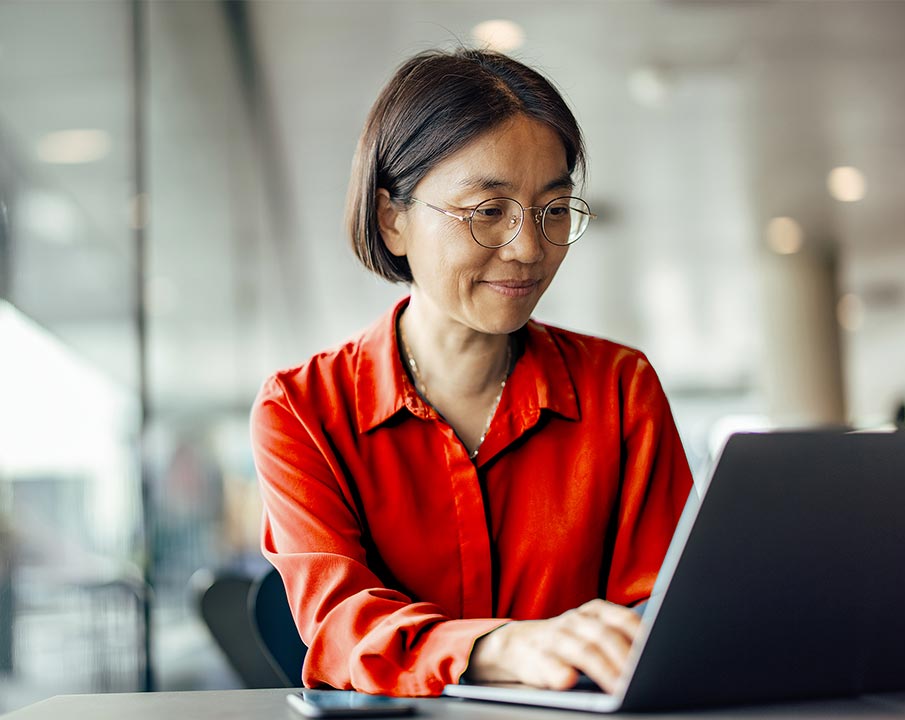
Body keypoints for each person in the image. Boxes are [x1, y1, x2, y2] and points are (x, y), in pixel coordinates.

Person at [251, 48, 694, 698]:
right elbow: (342, 628)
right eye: (488, 211)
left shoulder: (619, 389)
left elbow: (664, 617)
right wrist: (502, 646)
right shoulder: (302, 409)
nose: (529, 249)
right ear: (391, 219)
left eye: (552, 210)